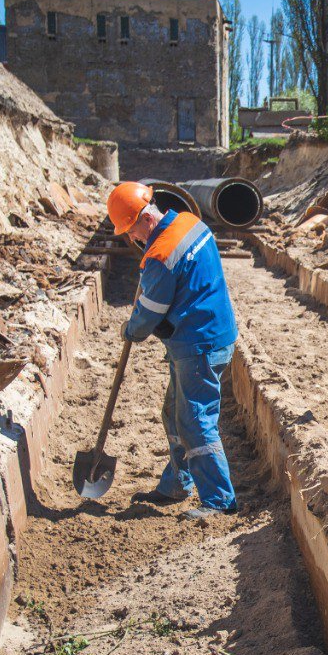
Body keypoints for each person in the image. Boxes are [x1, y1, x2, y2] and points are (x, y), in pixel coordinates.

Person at [105, 181, 239, 520]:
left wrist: (131, 329)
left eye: (131, 230)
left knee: (195, 419)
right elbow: (188, 283)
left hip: (199, 343)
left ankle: (220, 500)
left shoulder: (160, 255)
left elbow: (147, 315)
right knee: (174, 411)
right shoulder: (190, 222)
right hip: (208, 331)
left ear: (146, 219)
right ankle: (177, 484)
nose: (132, 238)